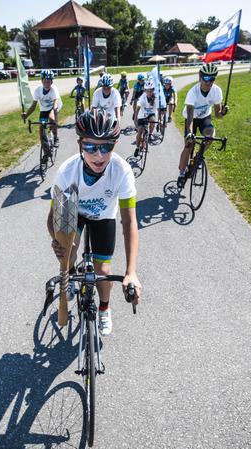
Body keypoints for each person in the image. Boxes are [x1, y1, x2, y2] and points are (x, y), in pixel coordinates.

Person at [47, 108, 142, 336]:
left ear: (115, 145)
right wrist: (57, 241)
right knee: (68, 250)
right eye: (90, 146)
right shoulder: (67, 171)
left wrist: (131, 272)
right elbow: (52, 218)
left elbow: (129, 223)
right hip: (74, 210)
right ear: (80, 144)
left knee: (103, 269)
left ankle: (104, 307)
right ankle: (70, 274)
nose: (98, 155)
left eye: (106, 146)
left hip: (104, 216)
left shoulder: (122, 171)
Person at [177, 63, 228, 188]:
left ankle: (199, 156)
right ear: (200, 76)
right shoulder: (192, 92)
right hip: (192, 119)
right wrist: (189, 133)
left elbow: (217, 115)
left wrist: (223, 112)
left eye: (212, 79)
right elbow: (189, 118)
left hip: (205, 117)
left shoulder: (217, 91)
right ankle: (181, 174)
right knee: (188, 145)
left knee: (210, 136)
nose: (209, 82)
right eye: (206, 78)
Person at [22, 70, 62, 151]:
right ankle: (46, 153)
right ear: (41, 81)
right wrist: (26, 115)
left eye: (49, 82)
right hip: (44, 110)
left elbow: (55, 103)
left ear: (52, 82)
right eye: (45, 81)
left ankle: (55, 137)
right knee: (41, 129)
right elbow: (33, 106)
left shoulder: (54, 89)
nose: (47, 84)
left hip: (54, 107)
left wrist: (55, 120)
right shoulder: (38, 90)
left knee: (52, 119)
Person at [134, 79, 159, 156]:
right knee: (140, 130)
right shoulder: (142, 97)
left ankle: (150, 134)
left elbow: (159, 109)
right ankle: (137, 147)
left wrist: (159, 122)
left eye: (151, 91)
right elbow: (137, 108)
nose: (149, 93)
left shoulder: (156, 97)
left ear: (153, 90)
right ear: (145, 91)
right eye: (147, 91)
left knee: (152, 120)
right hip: (142, 115)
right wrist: (135, 119)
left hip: (151, 113)